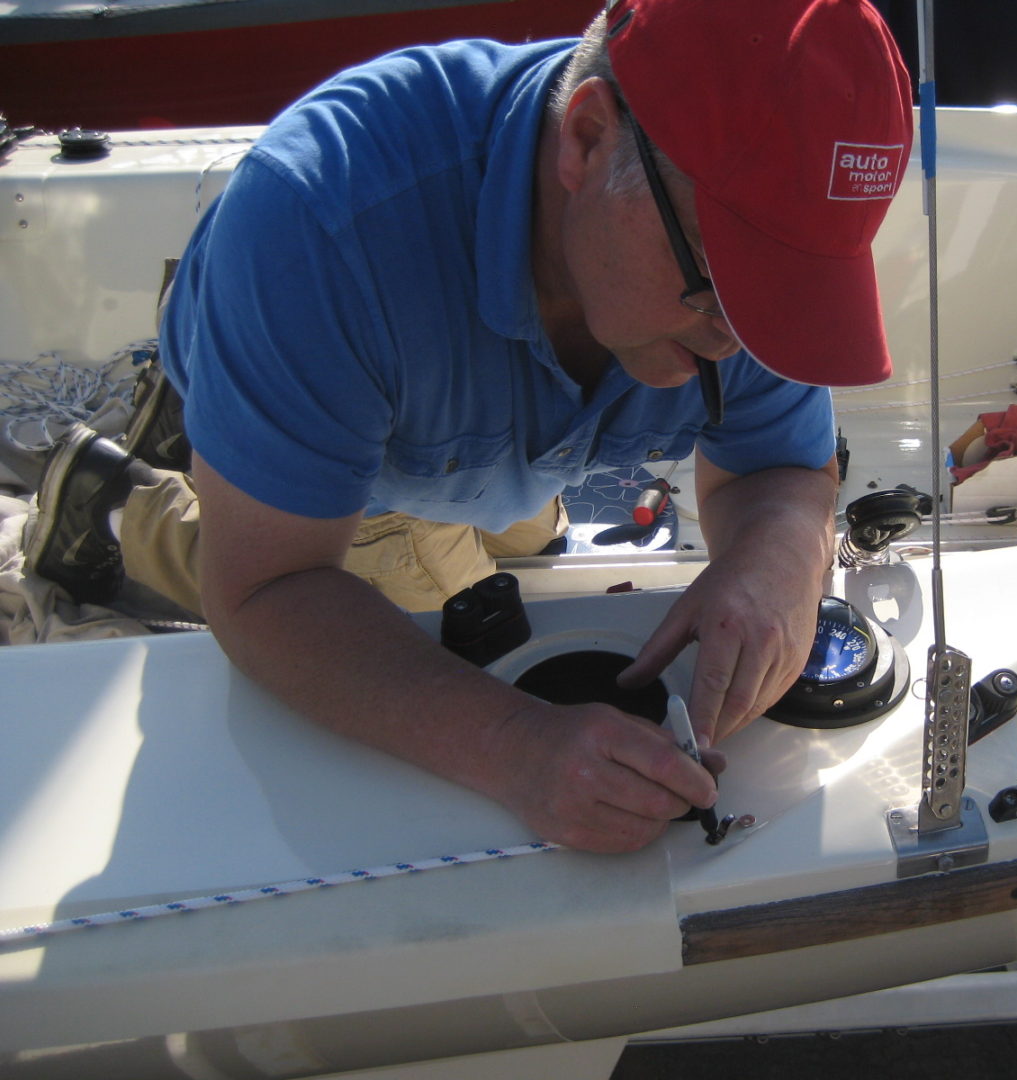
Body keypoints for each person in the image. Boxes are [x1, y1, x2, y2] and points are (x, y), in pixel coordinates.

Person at [22, 0, 913, 853]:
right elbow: (267, 592)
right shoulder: (313, 228)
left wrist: (777, 564)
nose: (743, 340)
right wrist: (514, 746)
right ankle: (109, 509)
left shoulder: (719, 242)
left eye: (787, 293)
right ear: (588, 138)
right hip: (313, 388)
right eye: (721, 283)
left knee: (511, 541)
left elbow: (779, 476)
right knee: (389, 564)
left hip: (491, 449)